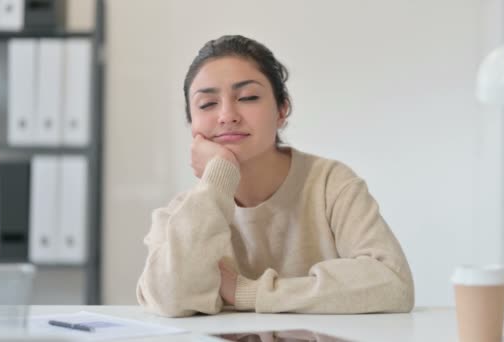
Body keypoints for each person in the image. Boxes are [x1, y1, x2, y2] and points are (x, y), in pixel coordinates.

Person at [136, 35, 414, 317]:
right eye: (207, 104)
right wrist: (218, 176)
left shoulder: (331, 184)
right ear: (191, 122)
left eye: (247, 98)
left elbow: (394, 283)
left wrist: (248, 292)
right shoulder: (183, 213)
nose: (227, 115)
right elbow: (169, 299)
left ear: (282, 110)